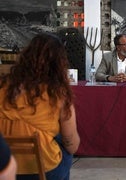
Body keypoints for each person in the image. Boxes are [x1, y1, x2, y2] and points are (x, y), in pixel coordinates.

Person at [0, 33, 80, 180]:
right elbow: (72, 144)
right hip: (43, 169)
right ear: (59, 63)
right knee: (66, 150)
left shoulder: (2, 86)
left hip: (3, 165)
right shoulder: (58, 93)